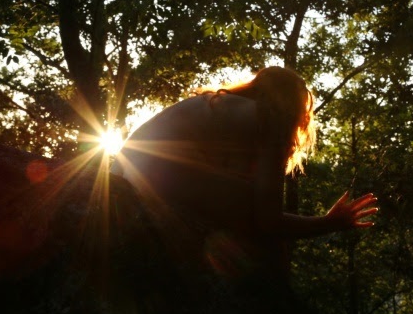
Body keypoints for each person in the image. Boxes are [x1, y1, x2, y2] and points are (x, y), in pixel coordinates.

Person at [111, 66, 378, 274]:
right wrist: (328, 223)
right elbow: (268, 220)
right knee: (261, 221)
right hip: (148, 181)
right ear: (295, 108)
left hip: (121, 172)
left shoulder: (217, 103)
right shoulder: (273, 119)